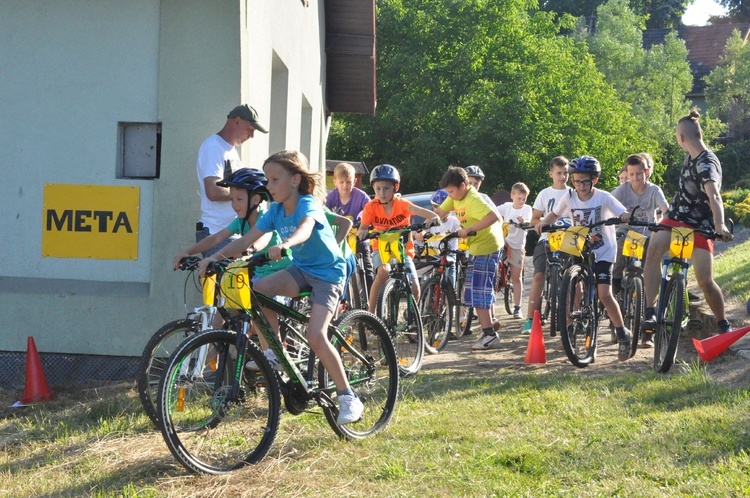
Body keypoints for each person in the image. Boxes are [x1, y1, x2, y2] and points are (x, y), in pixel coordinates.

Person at [200, 150, 364, 425]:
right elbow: (243, 241)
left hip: (327, 274)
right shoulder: (275, 211)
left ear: (295, 180)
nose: (268, 186)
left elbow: (306, 228)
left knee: (316, 336)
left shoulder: (306, 204)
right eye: (267, 179)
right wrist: (213, 258)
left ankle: (348, 397)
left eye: (274, 179)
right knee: (259, 288)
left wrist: (286, 244)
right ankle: (274, 353)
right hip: (301, 270)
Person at [642, 110, 734, 334]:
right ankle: (650, 311)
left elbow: (714, 196)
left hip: (701, 225)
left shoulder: (706, 164)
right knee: (653, 249)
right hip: (675, 217)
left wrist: (719, 225)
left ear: (681, 138)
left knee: (705, 280)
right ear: (699, 133)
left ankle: (723, 324)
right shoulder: (691, 155)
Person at [535, 156, 632, 361]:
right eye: (576, 181)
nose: (580, 185)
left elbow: (622, 212)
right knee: (570, 288)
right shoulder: (569, 197)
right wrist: (544, 222)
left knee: (604, 294)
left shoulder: (603, 197)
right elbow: (554, 214)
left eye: (584, 181)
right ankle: (570, 327)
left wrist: (624, 216)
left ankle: (623, 333)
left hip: (603, 250)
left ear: (594, 180)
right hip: (578, 246)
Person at [433, 166, 505, 350]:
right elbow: (439, 214)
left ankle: (489, 335)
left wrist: (471, 229)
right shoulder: (455, 196)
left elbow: (494, 216)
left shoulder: (473, 199)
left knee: (479, 289)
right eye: (447, 192)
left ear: (463, 186)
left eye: (451, 191)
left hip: (487, 245)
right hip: (476, 246)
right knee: (473, 290)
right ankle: (487, 329)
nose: (450, 195)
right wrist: (425, 227)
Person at [357, 164, 440, 314]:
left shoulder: (402, 205)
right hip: (381, 249)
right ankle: (371, 312)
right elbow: (363, 227)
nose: (382, 193)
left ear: (395, 188)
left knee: (414, 285)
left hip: (403, 251)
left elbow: (420, 211)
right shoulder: (371, 207)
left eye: (386, 188)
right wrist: (362, 232)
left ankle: (411, 314)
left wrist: (434, 217)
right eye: (378, 189)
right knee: (383, 271)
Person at [611, 154, 669, 348]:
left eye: (639, 174)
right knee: (618, 245)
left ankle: (648, 329)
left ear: (646, 172)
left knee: (651, 273)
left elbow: (664, 207)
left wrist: (664, 219)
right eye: (632, 174)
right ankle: (616, 279)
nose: (636, 178)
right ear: (626, 174)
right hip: (625, 233)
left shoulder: (654, 190)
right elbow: (608, 205)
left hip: (647, 234)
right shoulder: (622, 190)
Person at [195, 104, 268, 256]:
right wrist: (246, 195)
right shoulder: (214, 146)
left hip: (231, 233)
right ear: (237, 122)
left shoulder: (230, 150)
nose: (252, 136)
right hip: (216, 232)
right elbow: (213, 191)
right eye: (251, 130)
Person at [522, 156, 571, 334]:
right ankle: (530, 318)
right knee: (538, 275)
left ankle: (575, 317)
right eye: (559, 173)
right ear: (551, 174)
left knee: (575, 275)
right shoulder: (544, 194)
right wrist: (545, 222)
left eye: (565, 173)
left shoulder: (573, 193)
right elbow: (534, 219)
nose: (562, 177)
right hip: (547, 237)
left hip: (568, 238)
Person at [464, 165, 502, 331]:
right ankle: (462, 316)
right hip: (465, 244)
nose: (473, 186)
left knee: (483, 284)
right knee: (467, 282)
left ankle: (490, 317)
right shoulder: (460, 199)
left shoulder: (483, 198)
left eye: (476, 184)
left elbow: (497, 217)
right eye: (470, 182)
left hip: (482, 244)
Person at [325, 162, 374, 291]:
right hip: (339, 237)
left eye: (348, 182)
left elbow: (369, 210)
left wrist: (362, 219)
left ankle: (370, 296)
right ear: (334, 182)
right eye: (341, 182)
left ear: (355, 181)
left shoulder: (361, 196)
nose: (345, 186)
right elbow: (325, 211)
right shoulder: (331, 196)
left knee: (367, 266)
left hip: (358, 236)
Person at [498, 182, 533, 319]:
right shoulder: (506, 207)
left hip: (517, 246)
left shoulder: (527, 208)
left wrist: (523, 221)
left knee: (516, 277)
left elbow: (528, 221)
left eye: (524, 199)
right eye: (519, 198)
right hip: (504, 243)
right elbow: (493, 211)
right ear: (512, 196)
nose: (522, 201)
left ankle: (517, 307)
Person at [414, 189, 462, 288]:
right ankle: (426, 295)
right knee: (425, 278)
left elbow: (462, 229)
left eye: (439, 207)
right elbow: (423, 229)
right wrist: (421, 233)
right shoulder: (431, 220)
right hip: (433, 256)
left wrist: (461, 232)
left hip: (449, 256)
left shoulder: (454, 221)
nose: (435, 210)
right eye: (434, 206)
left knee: (450, 275)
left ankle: (450, 295)